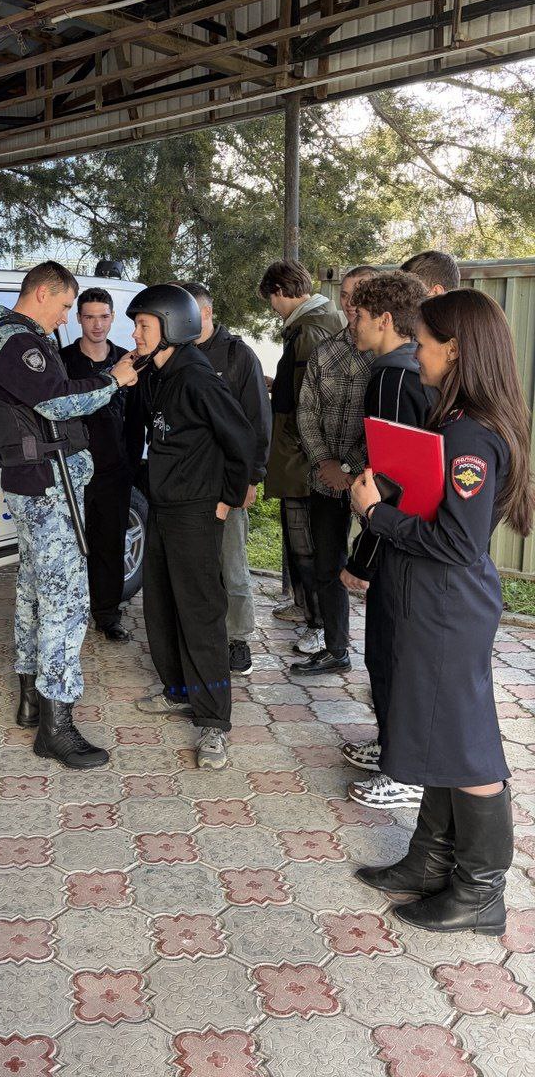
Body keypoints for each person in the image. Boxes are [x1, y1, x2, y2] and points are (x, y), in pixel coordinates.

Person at [351, 289, 533, 936]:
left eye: (423, 342)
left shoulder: (469, 439)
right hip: (431, 603)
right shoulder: (452, 419)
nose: (415, 351)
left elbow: (457, 542)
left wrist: (376, 514)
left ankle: (480, 890)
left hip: (448, 608)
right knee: (441, 737)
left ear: (454, 349)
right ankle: (430, 862)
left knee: (472, 749)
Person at [0, 262, 138, 769]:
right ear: (43, 293)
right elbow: (55, 404)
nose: (68, 317)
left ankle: (31, 702)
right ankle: (57, 727)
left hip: (38, 483)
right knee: (67, 601)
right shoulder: (17, 341)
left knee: (33, 591)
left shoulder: (9, 339)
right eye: (66, 305)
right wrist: (114, 380)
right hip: (48, 485)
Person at [128, 284, 256, 770]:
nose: (135, 333)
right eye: (136, 324)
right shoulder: (158, 374)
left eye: (144, 325)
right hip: (164, 506)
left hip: (197, 511)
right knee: (160, 602)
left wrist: (226, 500)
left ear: (172, 328)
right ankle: (178, 689)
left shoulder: (197, 378)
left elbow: (241, 439)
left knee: (201, 613)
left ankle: (213, 722)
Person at [341, 271, 435, 807]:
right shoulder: (397, 371)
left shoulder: (394, 377)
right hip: (404, 542)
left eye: (359, 312)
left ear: (383, 319)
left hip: (396, 543)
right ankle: (391, 746)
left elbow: (394, 480)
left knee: (391, 654)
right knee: (386, 652)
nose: (351, 319)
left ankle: (404, 768)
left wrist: (365, 555)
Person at [177, 281, 271, 675]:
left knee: (231, 563)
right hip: (185, 483)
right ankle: (198, 636)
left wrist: (251, 479)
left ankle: (238, 639)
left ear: (208, 313)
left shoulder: (237, 356)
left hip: (227, 480)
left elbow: (258, 422)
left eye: (190, 316)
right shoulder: (174, 354)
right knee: (193, 567)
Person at [293, 265, 377, 676]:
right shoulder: (324, 352)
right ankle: (335, 647)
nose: (349, 301)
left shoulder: (390, 356)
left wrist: (350, 467)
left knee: (377, 566)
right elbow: (306, 412)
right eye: (344, 293)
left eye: (358, 293)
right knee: (326, 563)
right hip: (325, 480)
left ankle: (385, 654)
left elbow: (382, 426)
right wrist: (326, 462)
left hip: (373, 484)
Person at [259, 260, 343, 657]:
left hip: (303, 455)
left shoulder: (311, 330)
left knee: (305, 543)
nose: (273, 307)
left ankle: (318, 625)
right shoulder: (315, 322)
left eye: (271, 299)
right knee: (302, 543)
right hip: (302, 452)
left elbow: (310, 404)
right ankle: (307, 611)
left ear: (280, 291)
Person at [61, 288, 133, 643]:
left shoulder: (126, 362)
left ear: (112, 317)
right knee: (71, 546)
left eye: (103, 316)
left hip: (113, 473)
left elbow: (138, 420)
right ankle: (72, 611)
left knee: (109, 546)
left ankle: (107, 615)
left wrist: (129, 463)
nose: (97, 324)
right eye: (89, 317)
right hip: (70, 472)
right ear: (78, 319)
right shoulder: (61, 361)